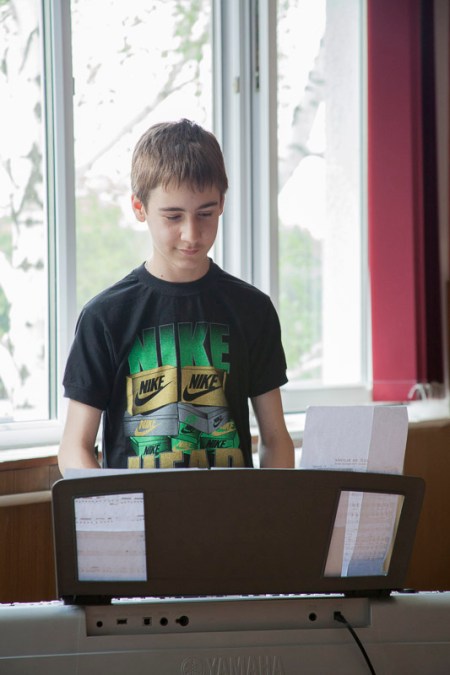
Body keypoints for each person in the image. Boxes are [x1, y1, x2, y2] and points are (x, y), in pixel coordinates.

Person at [58, 119, 294, 474]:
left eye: (205, 214)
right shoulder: (104, 316)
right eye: (173, 216)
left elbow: (275, 440)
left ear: (222, 204)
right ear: (139, 207)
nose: (191, 234)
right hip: (137, 509)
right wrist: (112, 505)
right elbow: (74, 447)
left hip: (232, 511)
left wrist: (272, 507)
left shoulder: (253, 310)